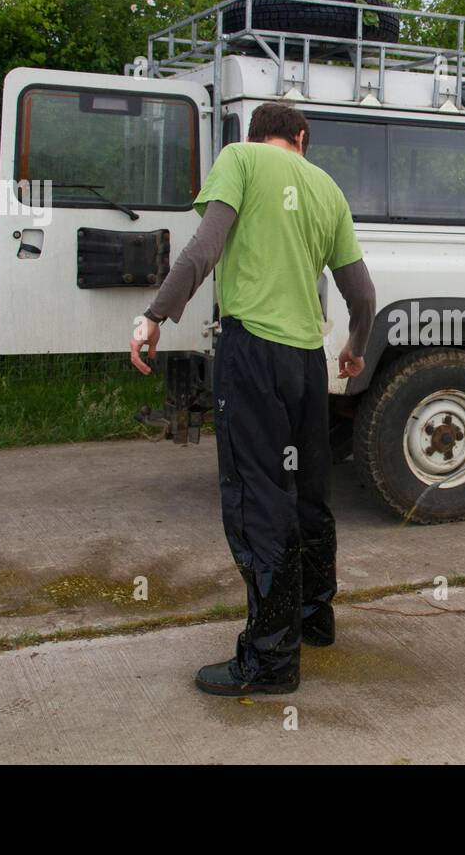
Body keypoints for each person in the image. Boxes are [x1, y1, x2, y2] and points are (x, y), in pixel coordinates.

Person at [130, 102, 376, 696]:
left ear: (257, 135)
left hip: (254, 356)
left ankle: (269, 660)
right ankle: (314, 619)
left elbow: (204, 249)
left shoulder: (239, 159)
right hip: (305, 363)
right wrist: (354, 348)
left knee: (256, 498)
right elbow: (362, 294)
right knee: (309, 493)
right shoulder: (327, 188)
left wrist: (154, 314)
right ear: (299, 138)